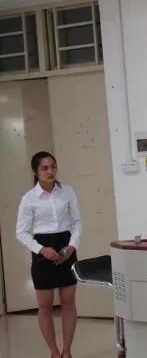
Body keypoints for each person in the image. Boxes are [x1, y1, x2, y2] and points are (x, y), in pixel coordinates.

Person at [16, 151, 82, 358]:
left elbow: (77, 223)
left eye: (53, 166)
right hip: (42, 250)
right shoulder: (29, 198)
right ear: (36, 171)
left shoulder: (68, 191)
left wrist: (72, 246)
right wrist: (41, 249)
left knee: (68, 302)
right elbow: (21, 232)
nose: (50, 171)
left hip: (66, 247)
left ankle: (67, 351)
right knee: (45, 306)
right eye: (44, 168)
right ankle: (54, 352)